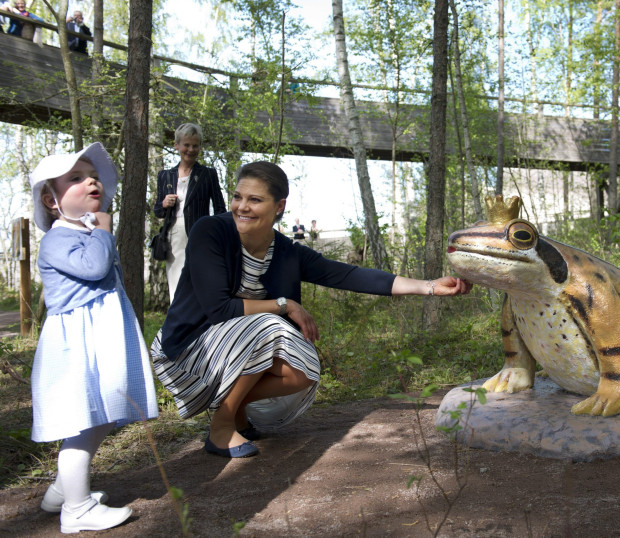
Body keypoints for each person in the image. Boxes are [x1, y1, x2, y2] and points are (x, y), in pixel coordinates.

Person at [150, 161, 472, 459]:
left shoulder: (288, 252)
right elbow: (219, 309)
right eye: (237, 197)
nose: (242, 207)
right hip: (187, 351)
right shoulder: (211, 232)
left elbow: (349, 275)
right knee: (269, 325)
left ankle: (237, 409)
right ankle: (221, 428)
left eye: (255, 200)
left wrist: (429, 286)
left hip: (229, 349)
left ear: (279, 207)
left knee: (303, 367)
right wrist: (284, 304)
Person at [28, 142, 158, 533]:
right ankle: (77, 510)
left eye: (94, 176)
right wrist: (103, 229)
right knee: (83, 424)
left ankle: (61, 491)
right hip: (75, 345)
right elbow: (96, 266)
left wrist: (97, 229)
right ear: (52, 201)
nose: (91, 181)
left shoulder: (83, 229)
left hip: (99, 337)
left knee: (101, 417)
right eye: (76, 178)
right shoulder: (57, 238)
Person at [153, 123, 226, 303]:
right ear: (177, 145)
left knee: (200, 283)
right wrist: (164, 203)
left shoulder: (208, 174)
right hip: (173, 237)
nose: (191, 149)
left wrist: (216, 236)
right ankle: (178, 325)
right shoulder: (165, 175)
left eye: (195, 145)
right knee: (176, 283)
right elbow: (157, 211)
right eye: (186, 145)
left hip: (200, 236)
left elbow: (220, 209)